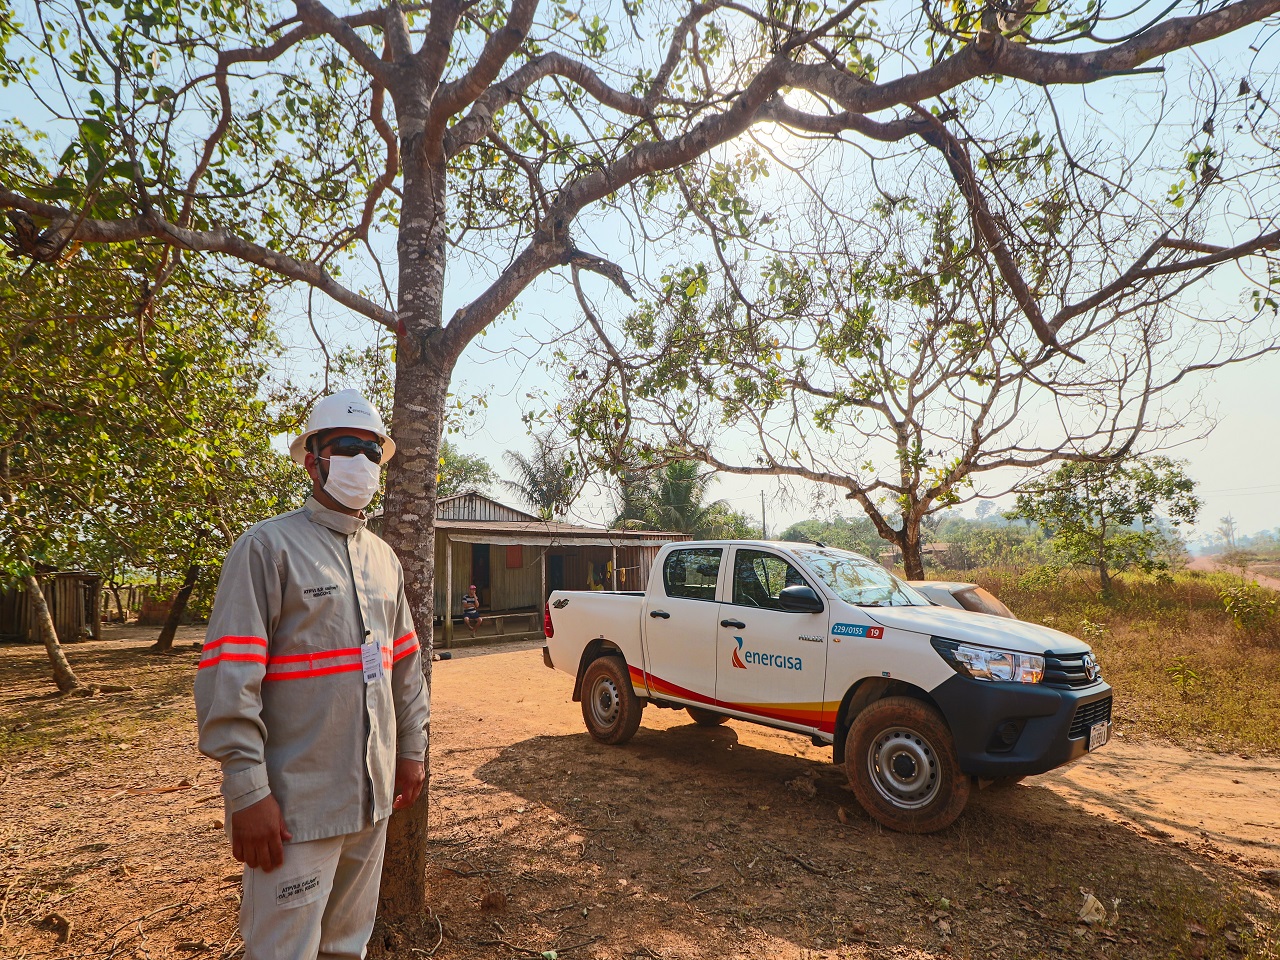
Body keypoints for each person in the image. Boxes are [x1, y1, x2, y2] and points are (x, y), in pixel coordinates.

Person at [194, 389, 429, 960]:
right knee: (282, 952)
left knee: (347, 947)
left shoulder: (383, 558)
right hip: (296, 811)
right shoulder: (266, 548)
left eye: (373, 452)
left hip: (371, 803)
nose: (362, 462)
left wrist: (412, 750)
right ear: (312, 459)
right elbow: (230, 678)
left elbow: (404, 668)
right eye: (346, 447)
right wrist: (248, 792)